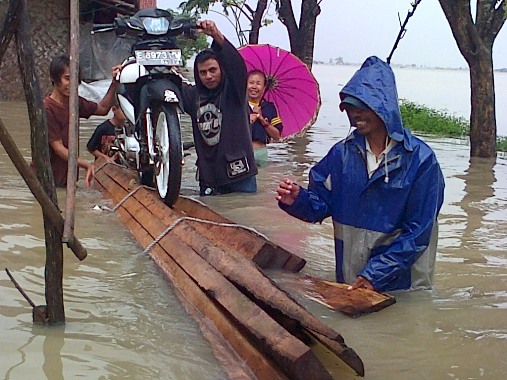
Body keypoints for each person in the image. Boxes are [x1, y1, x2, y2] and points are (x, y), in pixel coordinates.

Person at [276, 56, 445, 292]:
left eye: (362, 106)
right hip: (352, 282)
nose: (355, 114)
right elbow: (320, 204)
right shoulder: (340, 155)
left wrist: (375, 275)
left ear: (383, 106)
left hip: (404, 287)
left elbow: (417, 233)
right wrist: (297, 200)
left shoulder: (421, 161)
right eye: (350, 107)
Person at [181, 20, 258, 196]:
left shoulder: (235, 90)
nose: (208, 76)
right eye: (202, 72)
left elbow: (237, 65)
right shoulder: (193, 96)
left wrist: (216, 35)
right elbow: (170, 86)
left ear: (221, 69)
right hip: (209, 179)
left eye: (212, 70)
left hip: (240, 177)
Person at [44, 54, 120, 188]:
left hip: (66, 176)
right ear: (54, 78)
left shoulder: (74, 102)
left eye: (75, 79)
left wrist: (115, 82)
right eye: (67, 78)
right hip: (47, 177)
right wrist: (86, 164)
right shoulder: (47, 108)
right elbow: (58, 148)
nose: (72, 84)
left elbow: (103, 109)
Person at [247, 70, 283, 167]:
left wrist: (262, 119)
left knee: (261, 180)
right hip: (241, 152)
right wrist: (247, 121)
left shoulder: (269, 107)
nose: (254, 87)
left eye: (258, 83)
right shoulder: (239, 105)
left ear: (264, 88)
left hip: (260, 153)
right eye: (251, 83)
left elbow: (277, 136)